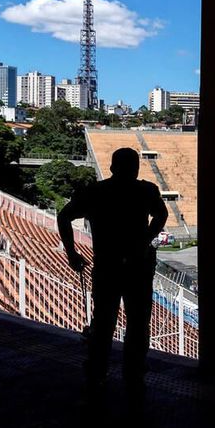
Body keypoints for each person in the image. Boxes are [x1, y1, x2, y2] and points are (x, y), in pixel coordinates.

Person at [58, 147, 169, 393]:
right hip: (138, 266)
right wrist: (146, 238)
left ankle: (98, 371)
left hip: (107, 265)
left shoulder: (96, 192)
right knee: (138, 323)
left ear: (111, 167)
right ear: (137, 168)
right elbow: (162, 214)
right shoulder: (145, 190)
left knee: (104, 322)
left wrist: (71, 254)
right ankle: (134, 372)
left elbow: (64, 216)